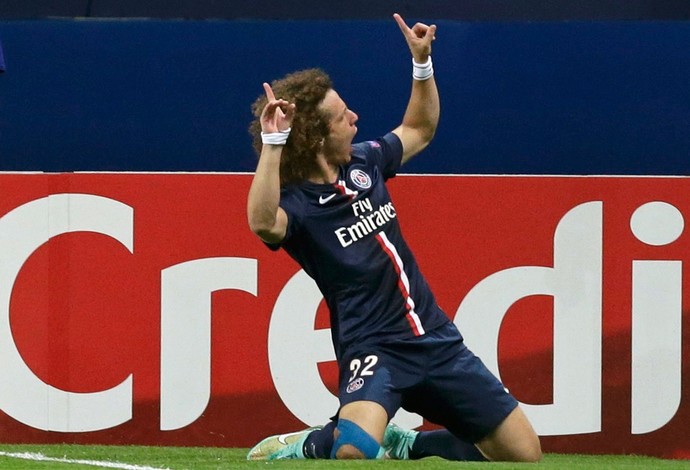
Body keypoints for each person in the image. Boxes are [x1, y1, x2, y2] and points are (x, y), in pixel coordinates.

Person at [245, 13, 542, 462]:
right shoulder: (299, 205)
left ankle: (410, 445)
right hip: (374, 348)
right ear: (318, 137)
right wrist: (273, 145)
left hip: (436, 340)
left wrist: (422, 65)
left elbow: (419, 130)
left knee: (523, 454)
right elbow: (263, 222)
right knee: (353, 452)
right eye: (343, 116)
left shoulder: (365, 163)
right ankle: (309, 444)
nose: (354, 118)